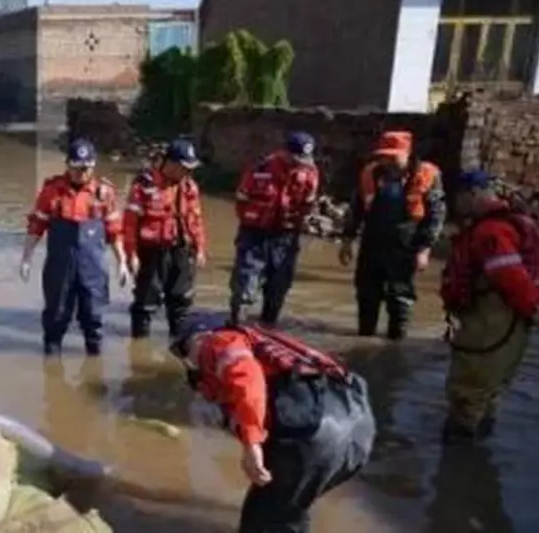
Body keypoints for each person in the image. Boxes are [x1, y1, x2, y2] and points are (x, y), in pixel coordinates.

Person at [172, 314, 376, 533]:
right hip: (357, 429)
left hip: (314, 429)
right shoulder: (261, 344)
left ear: (200, 336)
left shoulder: (219, 341)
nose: (190, 362)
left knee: (265, 523)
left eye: (186, 351)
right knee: (285, 512)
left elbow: (247, 378)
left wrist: (251, 443)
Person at [439, 169, 539, 443]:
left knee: (469, 389)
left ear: (474, 194)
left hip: (494, 320)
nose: (455, 202)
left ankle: (457, 468)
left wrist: (532, 308)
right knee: (486, 390)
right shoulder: (498, 226)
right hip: (500, 319)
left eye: (459, 195)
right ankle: (477, 460)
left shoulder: (492, 231)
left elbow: (510, 275)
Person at [20, 138, 129, 356]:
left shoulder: (104, 193)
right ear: (68, 165)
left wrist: (122, 262)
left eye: (86, 168)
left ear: (93, 166)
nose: (81, 173)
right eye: (77, 168)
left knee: (93, 318)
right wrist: (26, 258)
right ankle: (51, 369)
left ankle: (94, 365)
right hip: (60, 267)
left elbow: (114, 231)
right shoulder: (52, 191)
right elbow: (36, 227)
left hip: (93, 268)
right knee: (56, 318)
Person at [338, 130, 445, 340]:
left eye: (393, 156)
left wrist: (424, 249)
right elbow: (356, 208)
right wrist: (347, 240)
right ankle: (364, 341)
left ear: (406, 154)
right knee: (367, 295)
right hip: (373, 243)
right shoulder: (372, 174)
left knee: (399, 298)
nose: (387, 160)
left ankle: (396, 345)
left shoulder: (425, 176)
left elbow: (436, 215)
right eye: (384, 155)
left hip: (405, 246)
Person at [229, 132, 320, 327]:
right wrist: (254, 221)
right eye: (296, 159)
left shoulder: (310, 173)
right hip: (255, 234)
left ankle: (269, 327)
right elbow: (241, 202)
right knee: (246, 285)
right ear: (284, 153)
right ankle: (236, 326)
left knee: (278, 289)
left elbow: (308, 204)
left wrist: (303, 220)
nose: (299, 164)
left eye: (304, 160)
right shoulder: (259, 169)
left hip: (285, 237)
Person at [123, 138, 208, 340]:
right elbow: (129, 225)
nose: (188, 173)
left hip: (181, 250)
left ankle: (178, 345)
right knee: (145, 304)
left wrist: (201, 248)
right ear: (170, 163)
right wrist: (131, 255)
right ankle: (139, 349)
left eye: (191, 168)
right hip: (152, 253)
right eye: (184, 168)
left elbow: (196, 220)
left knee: (182, 303)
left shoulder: (189, 187)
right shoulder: (144, 186)